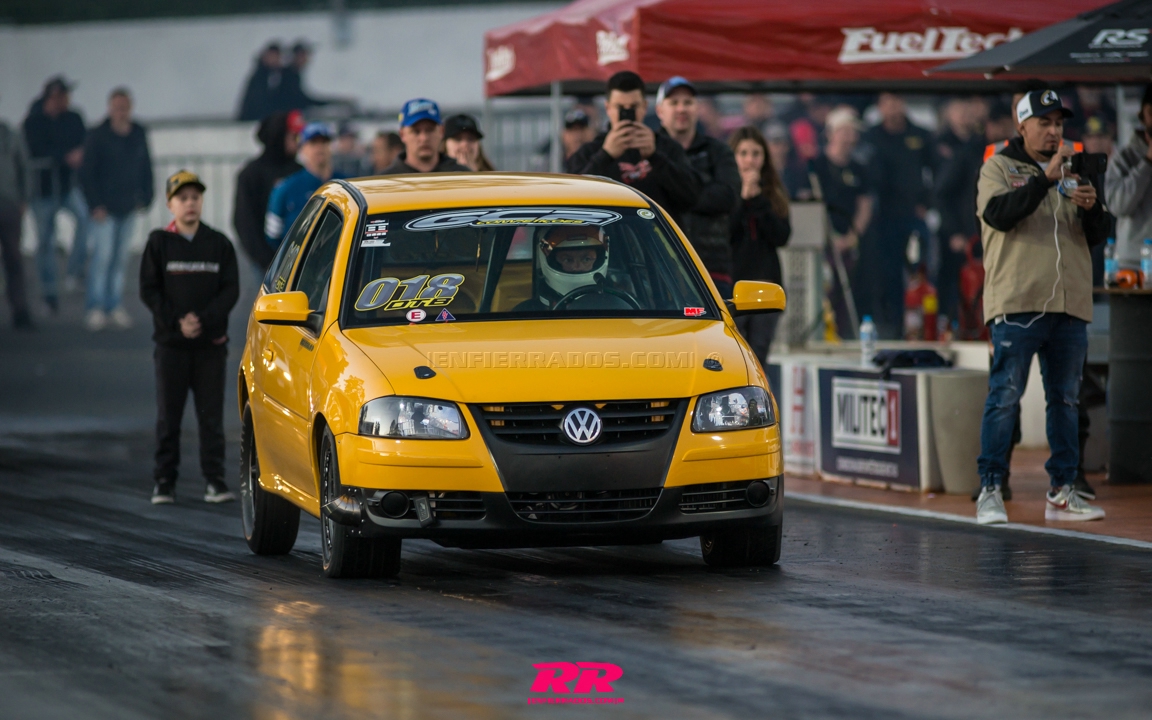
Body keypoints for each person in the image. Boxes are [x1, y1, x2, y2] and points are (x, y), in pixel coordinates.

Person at [973, 89, 1113, 526]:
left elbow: (1098, 233)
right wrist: (1044, 180)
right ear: (1022, 126)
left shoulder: (1075, 169)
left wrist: (1092, 208)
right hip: (1018, 301)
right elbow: (998, 214)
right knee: (1005, 397)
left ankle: (1063, 490)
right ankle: (990, 489)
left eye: (1059, 124)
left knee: (1066, 401)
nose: (1054, 132)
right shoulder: (998, 167)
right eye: (1045, 123)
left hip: (1069, 302)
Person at [139, 171, 239, 505]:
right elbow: (149, 290)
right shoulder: (159, 243)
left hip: (210, 347)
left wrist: (204, 320)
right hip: (171, 347)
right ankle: (164, 481)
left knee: (211, 418)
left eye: (195, 197)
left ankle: (215, 480)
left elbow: (230, 290)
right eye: (182, 198)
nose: (190, 203)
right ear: (170, 204)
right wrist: (177, 322)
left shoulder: (219, 244)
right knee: (169, 417)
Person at [566, 71, 699, 226]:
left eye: (634, 107)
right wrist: (606, 155)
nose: (628, 114)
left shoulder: (668, 148)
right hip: (606, 235)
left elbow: (692, 198)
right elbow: (572, 199)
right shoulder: (589, 152)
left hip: (656, 236)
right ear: (608, 108)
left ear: (645, 106)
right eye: (621, 108)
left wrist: (655, 157)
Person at [860, 93, 936, 339]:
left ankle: (922, 328)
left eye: (896, 101)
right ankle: (892, 327)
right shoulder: (870, 136)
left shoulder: (920, 134)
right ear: (880, 107)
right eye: (887, 103)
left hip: (913, 215)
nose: (892, 107)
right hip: (882, 218)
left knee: (919, 272)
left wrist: (926, 203)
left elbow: (937, 172)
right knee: (887, 274)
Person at [655, 77, 740, 296]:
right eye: (674, 102)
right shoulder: (649, 152)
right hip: (657, 271)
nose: (681, 108)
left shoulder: (718, 151)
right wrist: (702, 192)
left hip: (712, 270)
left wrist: (677, 195)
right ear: (659, 110)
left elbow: (729, 197)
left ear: (697, 108)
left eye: (688, 102)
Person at [79, 88, 154, 332]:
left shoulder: (138, 133)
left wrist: (147, 196)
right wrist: (95, 205)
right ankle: (96, 306)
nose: (121, 112)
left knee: (120, 258)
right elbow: (87, 173)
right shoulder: (97, 136)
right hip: (104, 208)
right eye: (117, 108)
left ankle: (113, 305)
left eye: (124, 108)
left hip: (128, 205)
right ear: (110, 109)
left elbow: (146, 165)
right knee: (102, 258)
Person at [24, 76, 89, 313]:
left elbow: (83, 141)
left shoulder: (73, 118)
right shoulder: (33, 122)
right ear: (52, 97)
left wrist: (74, 155)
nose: (67, 100)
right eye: (63, 95)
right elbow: (34, 149)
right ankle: (49, 293)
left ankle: (74, 271)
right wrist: (64, 156)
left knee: (85, 219)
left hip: (67, 186)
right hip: (42, 191)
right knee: (45, 242)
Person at [728, 126, 791, 363]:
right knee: (736, 355)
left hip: (765, 283)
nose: (749, 160)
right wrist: (742, 198)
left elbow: (781, 236)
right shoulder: (725, 191)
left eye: (756, 154)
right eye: (743, 153)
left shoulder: (773, 193)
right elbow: (726, 233)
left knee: (759, 355)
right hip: (733, 285)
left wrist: (757, 201)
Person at [809, 107, 872, 339]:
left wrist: (852, 237)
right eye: (844, 131)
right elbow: (810, 205)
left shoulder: (859, 168)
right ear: (831, 133)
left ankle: (844, 336)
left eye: (853, 132)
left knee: (848, 294)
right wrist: (829, 238)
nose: (849, 137)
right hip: (822, 243)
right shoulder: (816, 166)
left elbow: (865, 206)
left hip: (849, 242)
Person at [934, 98, 986, 328]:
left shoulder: (984, 147)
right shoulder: (958, 150)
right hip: (961, 234)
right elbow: (941, 193)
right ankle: (950, 326)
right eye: (960, 108)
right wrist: (953, 230)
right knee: (956, 285)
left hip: (984, 234)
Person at [234, 110, 303, 279]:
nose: (299, 143)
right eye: (294, 137)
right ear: (279, 137)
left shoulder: (300, 172)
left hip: (300, 261)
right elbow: (244, 223)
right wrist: (266, 261)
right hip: (265, 263)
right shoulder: (251, 175)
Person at [265, 122, 343, 251]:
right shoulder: (285, 188)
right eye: (313, 143)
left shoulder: (348, 184)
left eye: (324, 142)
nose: (319, 148)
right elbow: (273, 235)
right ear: (302, 148)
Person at [1104, 85, 1152, 275]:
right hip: (1134, 264)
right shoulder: (1124, 158)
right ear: (1142, 116)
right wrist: (1147, 163)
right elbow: (1118, 206)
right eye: (1151, 112)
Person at [514, 225, 612, 311]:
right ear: (551, 261)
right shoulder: (526, 312)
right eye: (568, 260)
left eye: (586, 259)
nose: (577, 267)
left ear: (600, 259)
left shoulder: (614, 306)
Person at [0, 105, 32, 329]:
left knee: (14, 259)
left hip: (9, 204)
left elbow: (24, 167)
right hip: (10, 203)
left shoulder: (11, 135)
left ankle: (20, 311)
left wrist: (23, 199)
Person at [382, 99, 471, 175]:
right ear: (402, 135)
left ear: (441, 131)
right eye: (416, 131)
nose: (424, 138)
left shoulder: (462, 177)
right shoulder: (385, 182)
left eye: (430, 130)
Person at [238, 41, 283, 121]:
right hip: (254, 119)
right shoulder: (259, 77)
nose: (274, 59)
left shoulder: (277, 74)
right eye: (272, 56)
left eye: (276, 56)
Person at [278, 40, 325, 113]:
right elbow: (296, 99)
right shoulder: (288, 75)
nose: (305, 59)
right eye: (302, 55)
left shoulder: (293, 74)